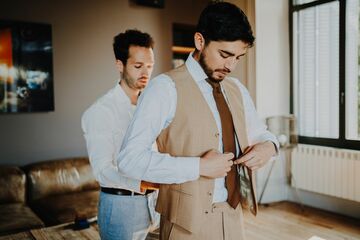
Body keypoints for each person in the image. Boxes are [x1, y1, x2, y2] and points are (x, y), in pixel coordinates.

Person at [118, 2, 279, 240]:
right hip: (185, 227)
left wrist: (269, 147)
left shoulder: (237, 90)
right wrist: (199, 167)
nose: (231, 66)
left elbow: (261, 134)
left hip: (234, 220)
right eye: (224, 55)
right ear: (200, 41)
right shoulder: (164, 89)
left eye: (238, 57)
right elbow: (129, 160)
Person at [81, 29, 159, 240]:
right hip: (121, 207)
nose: (146, 73)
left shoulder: (151, 105)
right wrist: (143, 183)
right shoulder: (99, 112)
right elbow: (102, 170)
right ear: (120, 65)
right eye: (138, 66)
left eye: (150, 66)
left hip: (155, 206)